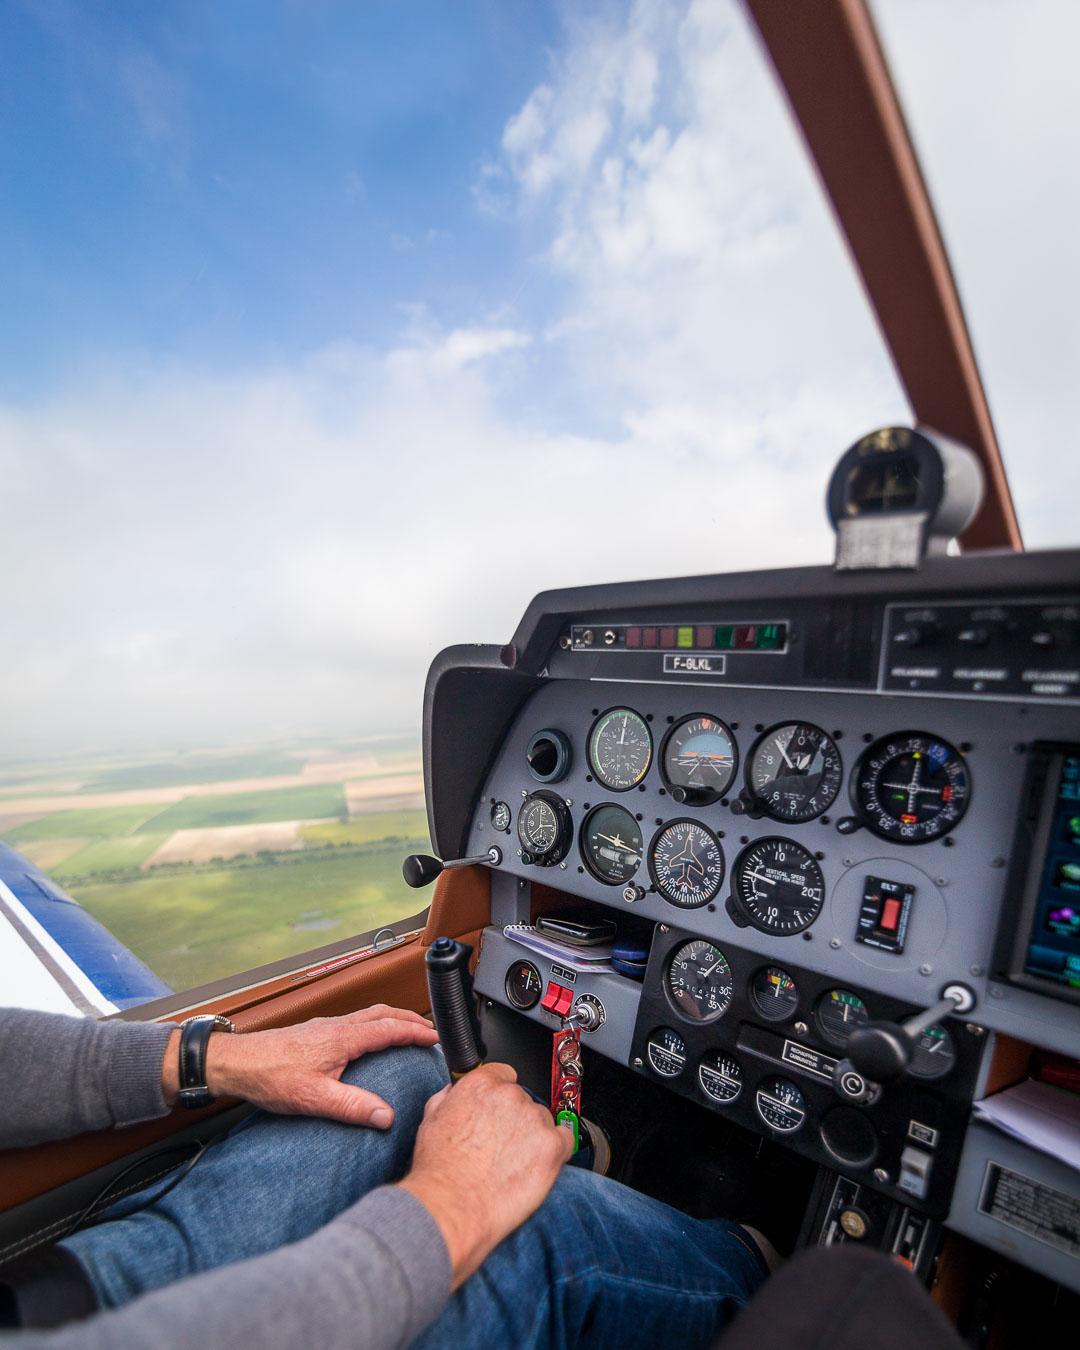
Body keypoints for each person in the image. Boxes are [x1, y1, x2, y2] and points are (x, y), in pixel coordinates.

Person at [0, 1005, 769, 1348]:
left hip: (35, 1306)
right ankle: (764, 1274)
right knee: (536, 1232)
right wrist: (452, 1203)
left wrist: (215, 1056)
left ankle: (566, 1149)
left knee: (388, 1076)